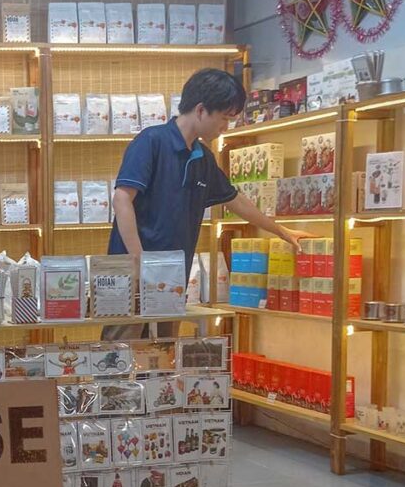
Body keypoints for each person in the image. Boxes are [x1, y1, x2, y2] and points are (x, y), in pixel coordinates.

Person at [104, 68, 311, 341]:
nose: (226, 127)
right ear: (201, 110)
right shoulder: (151, 141)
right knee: (117, 355)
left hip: (171, 277)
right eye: (224, 118)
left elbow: (236, 200)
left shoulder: (204, 158)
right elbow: (122, 199)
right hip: (129, 272)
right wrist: (141, 262)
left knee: (163, 357)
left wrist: (282, 231)